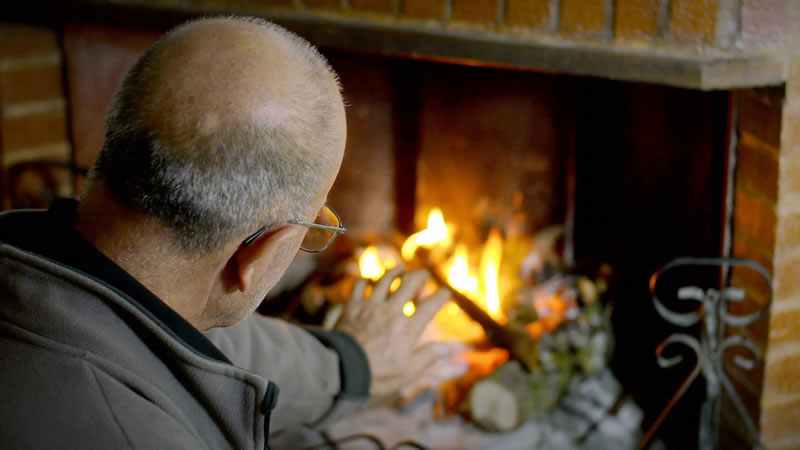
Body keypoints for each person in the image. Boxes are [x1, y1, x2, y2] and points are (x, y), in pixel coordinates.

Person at [0, 16, 449, 449]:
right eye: (315, 225)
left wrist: (350, 367)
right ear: (253, 255)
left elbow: (192, 340)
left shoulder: (41, 264)